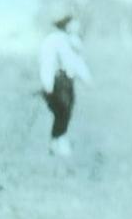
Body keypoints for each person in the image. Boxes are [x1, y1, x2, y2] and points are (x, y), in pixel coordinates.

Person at [38, 14, 93, 156]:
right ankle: (58, 142)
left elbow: (77, 62)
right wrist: (47, 83)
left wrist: (86, 78)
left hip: (68, 81)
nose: (77, 26)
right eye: (74, 23)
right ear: (67, 24)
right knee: (62, 111)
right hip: (57, 81)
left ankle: (56, 142)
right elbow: (47, 62)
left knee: (66, 111)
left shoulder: (73, 41)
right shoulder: (53, 40)